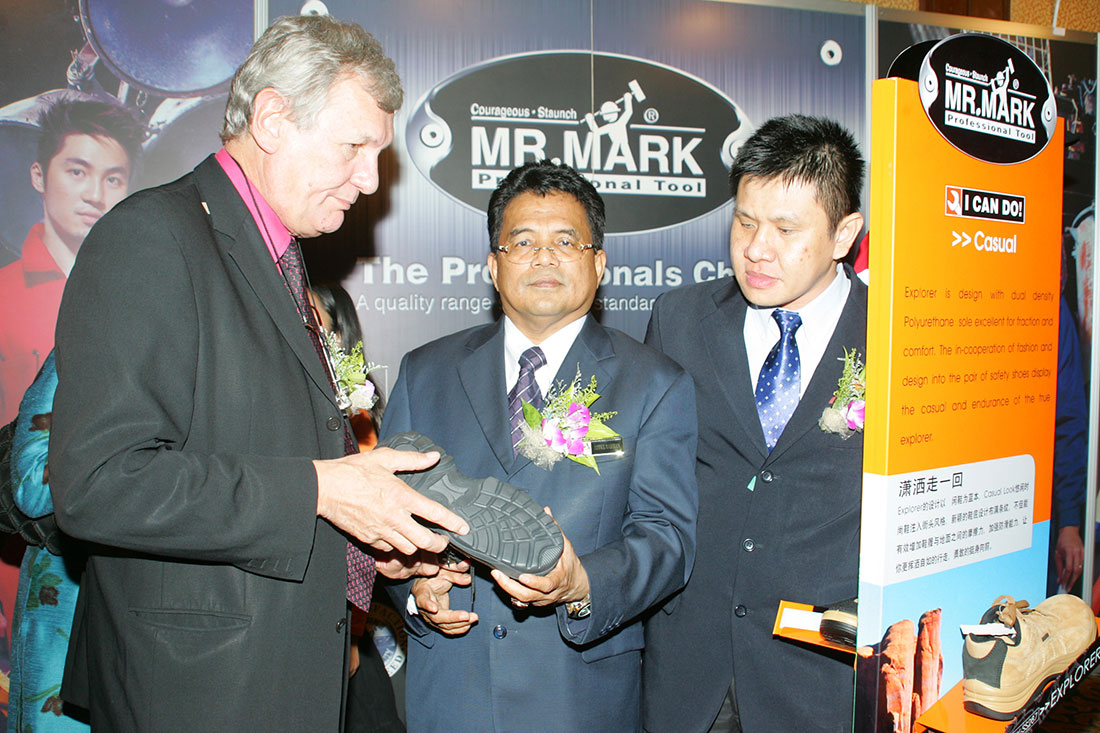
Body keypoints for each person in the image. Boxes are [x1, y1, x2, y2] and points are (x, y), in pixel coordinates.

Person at [48, 15, 467, 731]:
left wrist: (363, 549)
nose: (370, 180)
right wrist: (322, 488)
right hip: (194, 694)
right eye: (354, 147)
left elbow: (257, 460)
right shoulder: (152, 236)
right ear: (272, 119)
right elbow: (97, 483)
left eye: (377, 154)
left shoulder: (279, 258)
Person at [380, 160, 698, 732]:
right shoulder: (424, 373)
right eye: (523, 241)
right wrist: (414, 585)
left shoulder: (654, 384)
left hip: (578, 699)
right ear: (493, 266)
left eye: (566, 241)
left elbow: (667, 538)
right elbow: (386, 518)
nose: (544, 257)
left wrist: (582, 583)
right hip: (452, 694)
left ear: (598, 263)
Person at [643, 114, 867, 732]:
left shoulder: (898, 337)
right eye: (744, 222)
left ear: (844, 233)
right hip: (691, 668)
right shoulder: (679, 319)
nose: (756, 249)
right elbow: (648, 485)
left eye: (786, 230)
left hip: (821, 678)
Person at [0, 96, 143, 423]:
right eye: (77, 171)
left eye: (113, 179)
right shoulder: (3, 296)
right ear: (39, 176)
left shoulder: (145, 295)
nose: (95, 195)